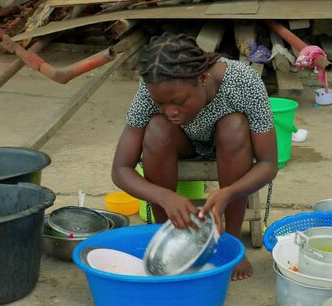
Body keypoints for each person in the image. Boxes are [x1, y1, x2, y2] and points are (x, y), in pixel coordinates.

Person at [111, 32, 278, 280]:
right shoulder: (152, 88)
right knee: (157, 128)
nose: (171, 111)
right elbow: (120, 169)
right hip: (184, 145)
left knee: (233, 125)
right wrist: (165, 197)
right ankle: (165, 236)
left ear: (202, 78)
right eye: (161, 103)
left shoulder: (244, 82)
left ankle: (231, 245)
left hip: (230, 147)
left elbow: (268, 163)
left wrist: (228, 193)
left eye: (179, 101)